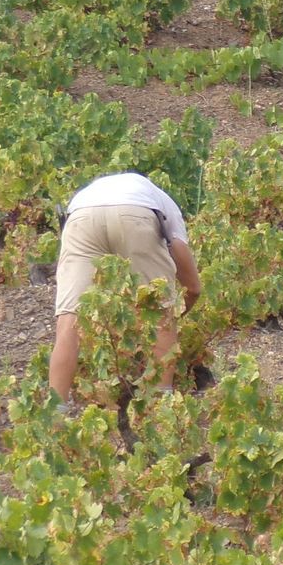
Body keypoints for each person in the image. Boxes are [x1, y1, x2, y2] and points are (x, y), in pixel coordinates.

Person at [49, 171, 200, 403]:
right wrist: (180, 306)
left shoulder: (93, 190)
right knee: (158, 311)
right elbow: (182, 260)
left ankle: (54, 413)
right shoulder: (161, 200)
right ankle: (160, 410)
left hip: (80, 215)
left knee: (70, 319)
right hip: (135, 213)